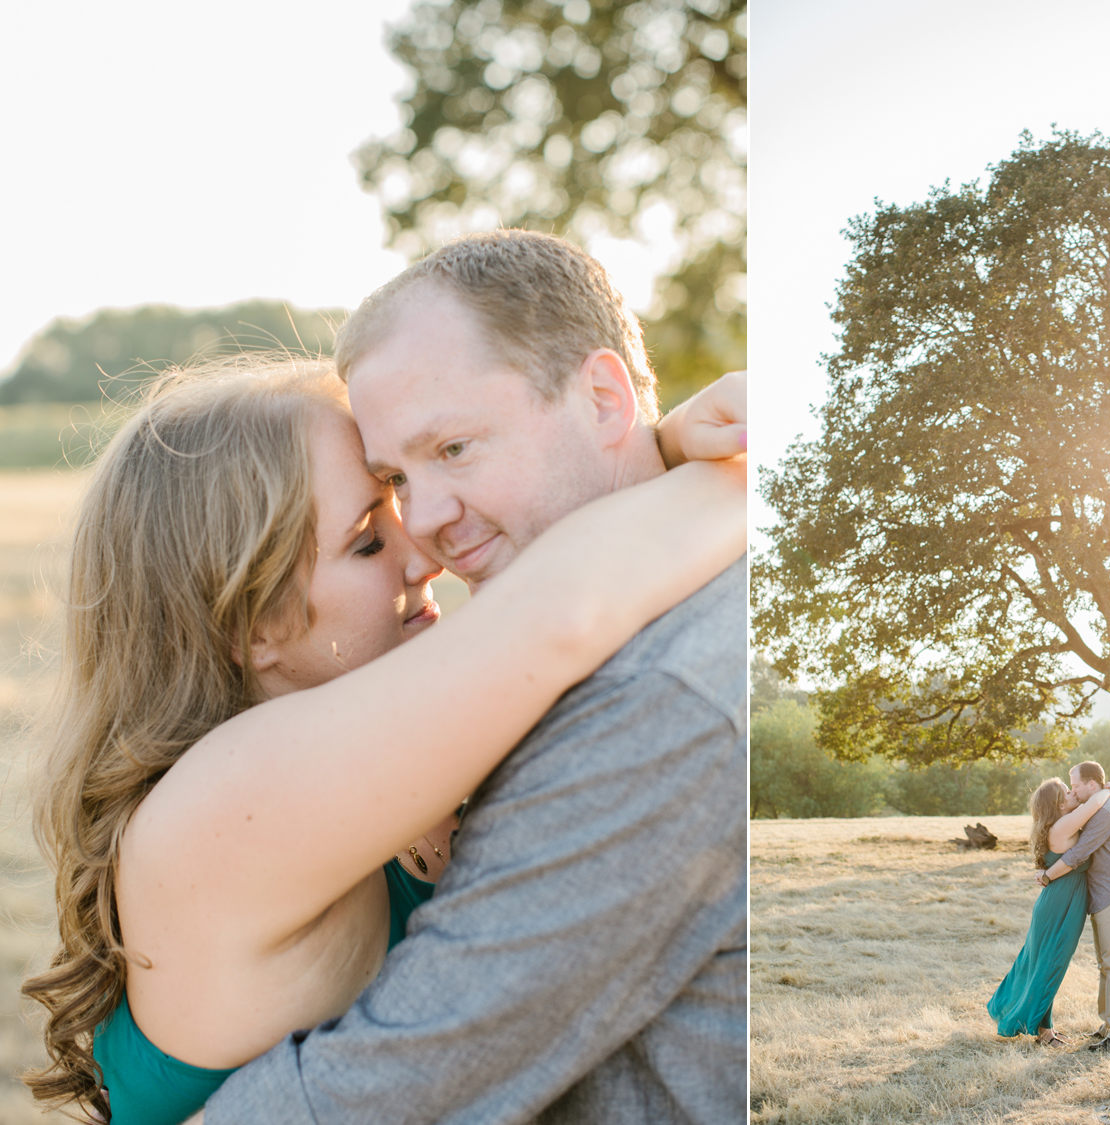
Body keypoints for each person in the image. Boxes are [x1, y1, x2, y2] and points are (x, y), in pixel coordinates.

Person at [20, 354, 746, 1125]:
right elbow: (564, 610)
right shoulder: (224, 802)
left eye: (398, 500)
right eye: (369, 542)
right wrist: (698, 465)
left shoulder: (391, 751)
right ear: (251, 622)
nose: (423, 554)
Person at [193, 230, 749, 1125]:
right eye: (395, 479)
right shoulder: (561, 641)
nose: (425, 525)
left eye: (453, 448)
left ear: (604, 397)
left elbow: (404, 1078)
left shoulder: (655, 703)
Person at [987, 776, 1110, 1045]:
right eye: (1066, 791)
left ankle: (1044, 1028)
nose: (1072, 792)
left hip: (1062, 902)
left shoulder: (1059, 824)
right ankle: (1043, 1033)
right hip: (1060, 906)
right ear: (1058, 805)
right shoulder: (1062, 825)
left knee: (1045, 964)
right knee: (1050, 965)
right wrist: (1108, 789)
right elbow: (1094, 802)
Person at [1034, 760, 1110, 1051]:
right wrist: (1107, 790)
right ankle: (1109, 1026)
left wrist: (1047, 876)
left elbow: (1078, 853)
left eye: (1076, 785)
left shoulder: (1104, 812)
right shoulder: (1097, 804)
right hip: (1102, 896)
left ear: (1092, 785)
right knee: (1107, 964)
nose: (1073, 790)